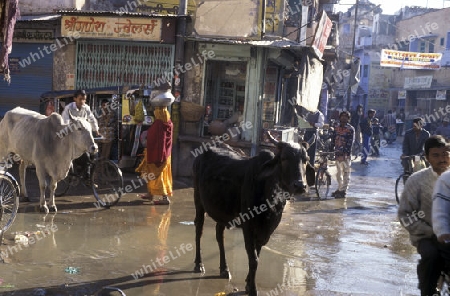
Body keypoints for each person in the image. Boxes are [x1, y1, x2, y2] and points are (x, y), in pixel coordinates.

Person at [399, 135, 450, 296]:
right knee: (432, 256)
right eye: (436, 155)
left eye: (445, 154)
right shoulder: (416, 181)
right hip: (425, 236)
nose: (442, 159)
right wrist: (430, 231)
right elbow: (406, 215)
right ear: (427, 158)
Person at [136, 106, 173, 205]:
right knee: (150, 174)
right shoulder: (169, 123)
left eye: (156, 112)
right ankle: (150, 193)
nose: (155, 113)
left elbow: (156, 138)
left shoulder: (159, 124)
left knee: (158, 176)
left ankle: (165, 198)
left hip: (158, 154)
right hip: (165, 154)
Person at [61, 90, 100, 183]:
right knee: (85, 156)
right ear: (75, 99)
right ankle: (81, 176)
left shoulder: (86, 108)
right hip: (71, 136)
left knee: (93, 154)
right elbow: (64, 122)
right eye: (80, 99)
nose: (82, 101)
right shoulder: (68, 108)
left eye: (84, 99)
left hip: (83, 136)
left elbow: (92, 119)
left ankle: (87, 176)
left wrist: (96, 130)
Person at [330, 111, 355, 199]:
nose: (344, 118)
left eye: (346, 117)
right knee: (338, 173)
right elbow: (333, 139)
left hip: (345, 155)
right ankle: (339, 188)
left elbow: (350, 142)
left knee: (346, 173)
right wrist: (331, 149)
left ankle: (343, 190)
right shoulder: (336, 128)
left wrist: (346, 153)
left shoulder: (350, 129)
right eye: (342, 116)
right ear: (340, 117)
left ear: (348, 119)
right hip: (337, 154)